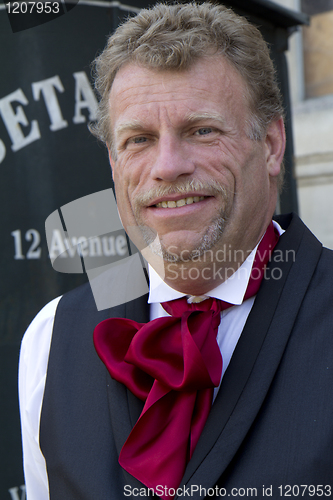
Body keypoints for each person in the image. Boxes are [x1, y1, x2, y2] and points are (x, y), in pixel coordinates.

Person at [19, 2, 333, 499]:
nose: (167, 166)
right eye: (139, 139)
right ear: (113, 165)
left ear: (272, 145)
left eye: (201, 130)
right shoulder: (50, 340)